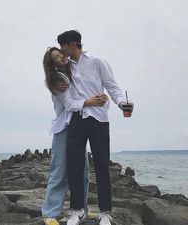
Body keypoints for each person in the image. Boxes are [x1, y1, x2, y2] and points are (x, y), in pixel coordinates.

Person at [57, 30, 134, 225]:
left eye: (63, 46)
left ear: (73, 44)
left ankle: (105, 212)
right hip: (77, 118)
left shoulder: (97, 62)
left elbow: (112, 86)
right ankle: (76, 211)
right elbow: (69, 102)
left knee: (101, 165)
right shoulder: (65, 69)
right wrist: (88, 101)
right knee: (74, 165)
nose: (61, 50)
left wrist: (122, 102)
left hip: (99, 119)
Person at [42, 47, 108, 225]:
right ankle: (50, 213)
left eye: (62, 54)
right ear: (52, 64)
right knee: (59, 171)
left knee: (83, 171)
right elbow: (70, 105)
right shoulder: (57, 80)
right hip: (64, 127)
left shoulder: (72, 73)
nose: (62, 57)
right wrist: (91, 101)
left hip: (79, 126)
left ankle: (82, 210)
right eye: (57, 57)